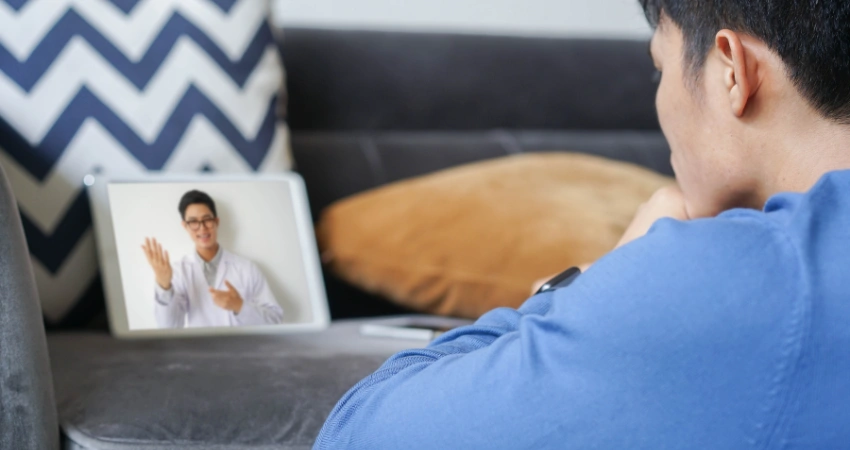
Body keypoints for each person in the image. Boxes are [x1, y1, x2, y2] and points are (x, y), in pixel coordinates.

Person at [314, 0, 850, 448]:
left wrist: (589, 285)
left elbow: (358, 432)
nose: (660, 100)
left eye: (659, 69)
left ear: (731, 70)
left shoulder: (715, 279)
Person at [141, 190, 284, 329]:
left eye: (207, 220)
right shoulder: (178, 272)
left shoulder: (246, 268)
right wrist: (164, 286)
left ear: (216, 222)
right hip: (200, 352)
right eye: (193, 222)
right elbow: (169, 327)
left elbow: (275, 320)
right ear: (185, 226)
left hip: (241, 350)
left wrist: (239, 306)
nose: (202, 228)